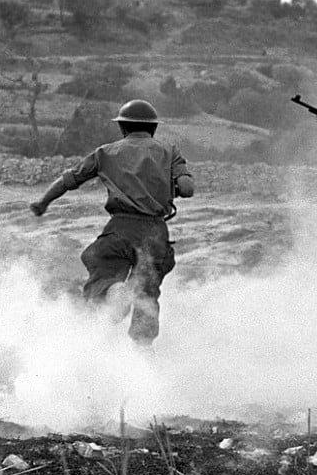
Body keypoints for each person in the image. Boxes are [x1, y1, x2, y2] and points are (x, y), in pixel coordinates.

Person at [30, 100, 194, 344]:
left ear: (123, 128)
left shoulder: (105, 152)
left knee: (102, 268)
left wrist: (43, 202)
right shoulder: (169, 151)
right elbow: (187, 189)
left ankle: (114, 291)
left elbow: (68, 180)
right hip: (156, 233)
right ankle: (143, 351)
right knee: (147, 294)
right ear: (153, 129)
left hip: (121, 228)